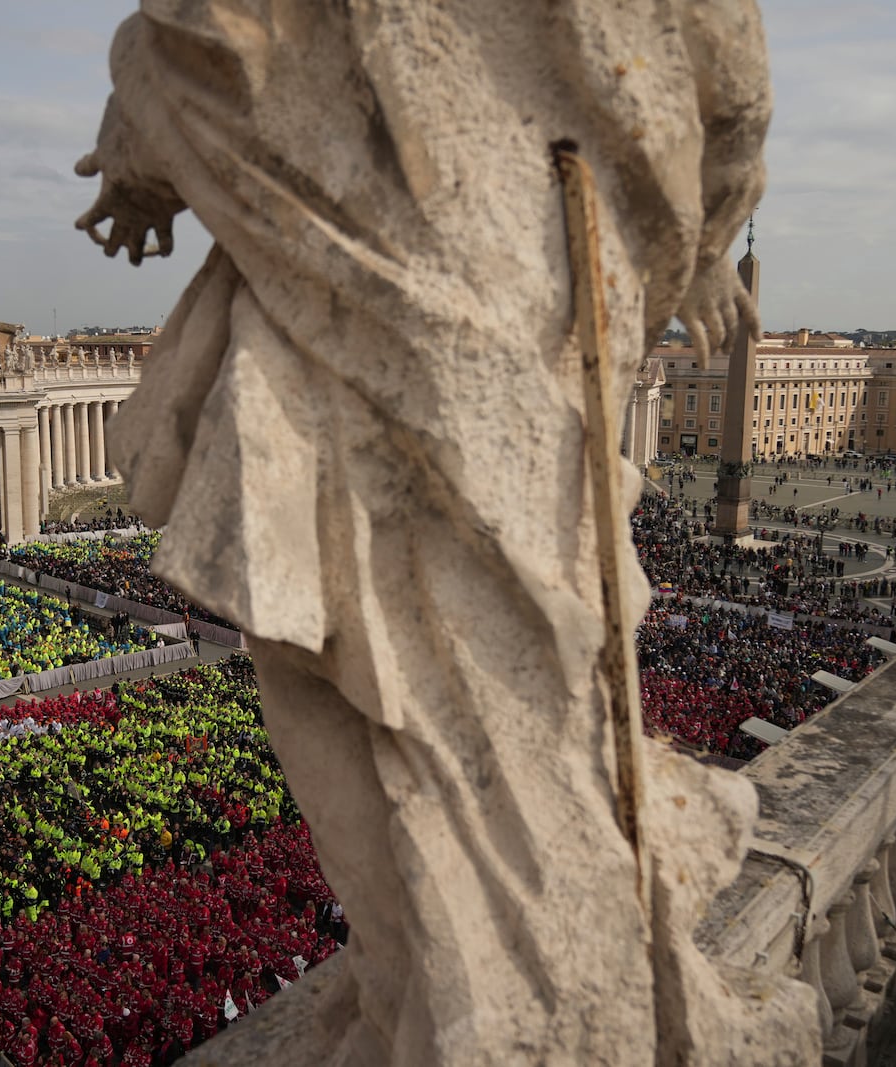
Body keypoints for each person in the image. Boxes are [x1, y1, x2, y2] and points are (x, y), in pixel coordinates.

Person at [78, 2, 779, 1061]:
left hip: (392, 311)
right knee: (493, 713)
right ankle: (437, 989)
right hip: (497, 292)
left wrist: (136, 155)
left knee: (432, 710)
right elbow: (728, 88)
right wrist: (709, 237)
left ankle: (478, 1003)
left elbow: (188, 42)